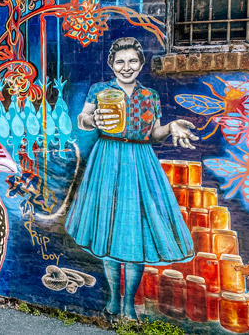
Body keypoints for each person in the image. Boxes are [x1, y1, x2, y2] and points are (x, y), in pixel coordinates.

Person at [65, 37, 197, 319]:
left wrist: (171, 126)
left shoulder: (149, 96)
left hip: (140, 162)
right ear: (111, 64)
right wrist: (93, 120)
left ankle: (128, 305)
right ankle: (114, 300)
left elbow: (153, 134)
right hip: (107, 160)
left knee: (134, 233)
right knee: (110, 231)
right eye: (120, 61)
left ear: (141, 63)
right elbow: (82, 119)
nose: (127, 67)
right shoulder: (100, 89)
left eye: (133, 61)